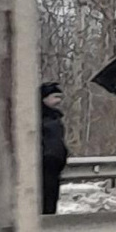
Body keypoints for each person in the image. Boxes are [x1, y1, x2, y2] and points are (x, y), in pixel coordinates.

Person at [40, 82, 69, 215]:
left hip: (54, 163)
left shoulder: (55, 116)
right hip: (43, 162)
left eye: (60, 98)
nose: (58, 101)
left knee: (52, 196)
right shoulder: (37, 117)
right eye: (55, 97)